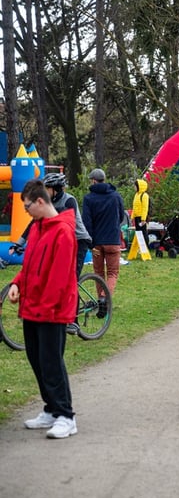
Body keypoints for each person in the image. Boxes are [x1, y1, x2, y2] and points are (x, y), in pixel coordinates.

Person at [10, 179, 79, 438]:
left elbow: (59, 279)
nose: (26, 211)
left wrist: (44, 309)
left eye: (28, 206)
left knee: (51, 363)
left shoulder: (62, 231)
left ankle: (66, 415)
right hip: (33, 307)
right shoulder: (38, 227)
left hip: (51, 311)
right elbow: (29, 265)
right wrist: (17, 283)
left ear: (40, 201)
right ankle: (51, 409)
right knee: (37, 360)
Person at [82, 168, 125, 296]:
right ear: (104, 179)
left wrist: (90, 243)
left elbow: (87, 222)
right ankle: (104, 298)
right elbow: (121, 216)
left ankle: (100, 301)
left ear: (94, 181)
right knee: (112, 273)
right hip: (112, 240)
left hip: (96, 242)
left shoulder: (88, 199)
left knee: (98, 274)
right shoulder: (115, 196)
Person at [132, 178, 151, 246]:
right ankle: (140, 247)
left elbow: (145, 208)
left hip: (142, 217)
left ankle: (146, 246)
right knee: (138, 232)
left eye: (135, 186)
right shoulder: (136, 195)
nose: (134, 187)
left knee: (143, 232)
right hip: (137, 217)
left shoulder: (144, 195)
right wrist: (132, 216)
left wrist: (143, 219)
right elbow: (134, 206)